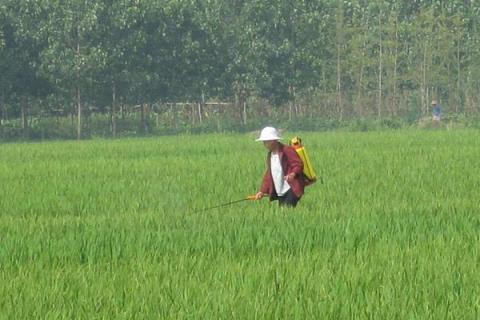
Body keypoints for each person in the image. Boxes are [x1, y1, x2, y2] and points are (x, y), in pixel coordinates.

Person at [254, 127, 305, 207]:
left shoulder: (286, 150)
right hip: (280, 190)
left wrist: (293, 174)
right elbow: (269, 174)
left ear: (273, 140)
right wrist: (262, 191)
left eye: (266, 141)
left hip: (291, 188)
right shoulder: (270, 155)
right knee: (283, 215)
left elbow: (298, 164)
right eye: (263, 141)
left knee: (286, 212)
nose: (264, 144)